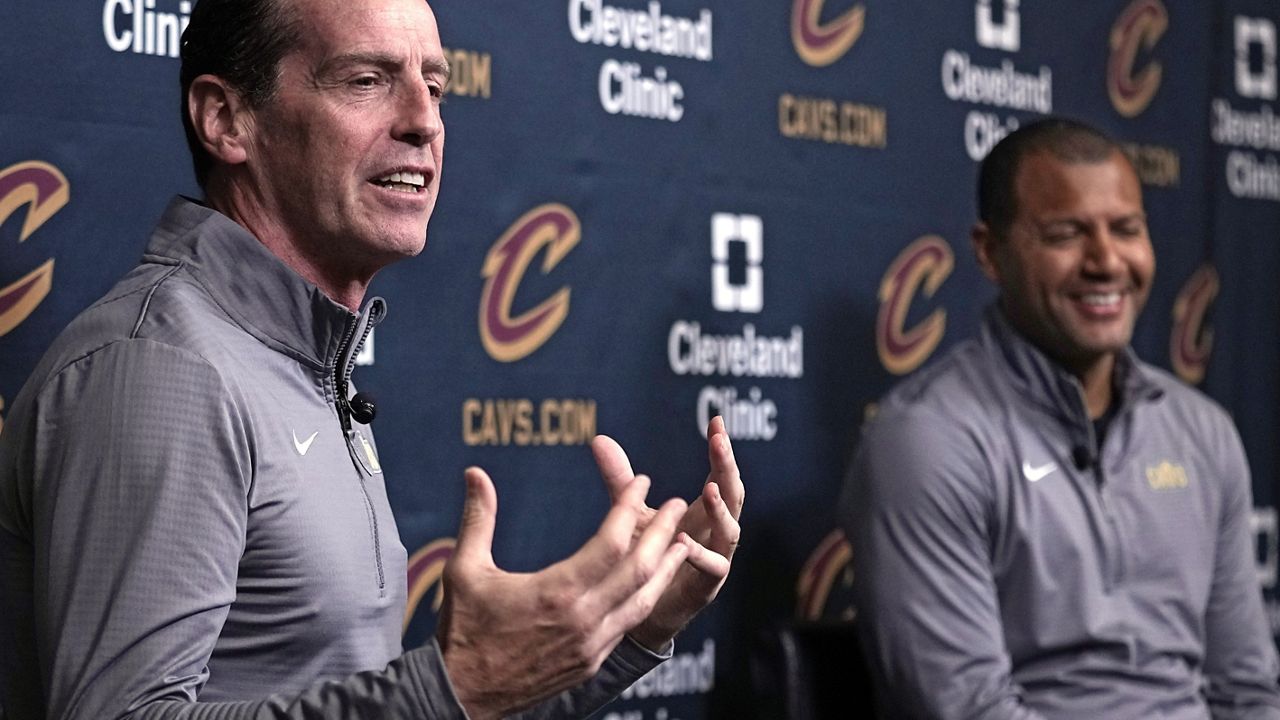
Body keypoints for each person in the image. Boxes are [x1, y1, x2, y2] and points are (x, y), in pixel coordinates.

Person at [0, 0, 744, 717]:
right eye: (366, 80)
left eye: (435, 86)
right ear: (227, 119)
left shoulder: (301, 357)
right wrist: (457, 688)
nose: (424, 122)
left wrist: (634, 629)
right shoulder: (163, 369)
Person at [841, 117, 1280, 719]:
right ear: (990, 252)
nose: (1106, 261)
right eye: (1066, 233)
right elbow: (971, 710)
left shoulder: (1203, 432)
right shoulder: (926, 441)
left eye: (1127, 229)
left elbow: (1247, 692)